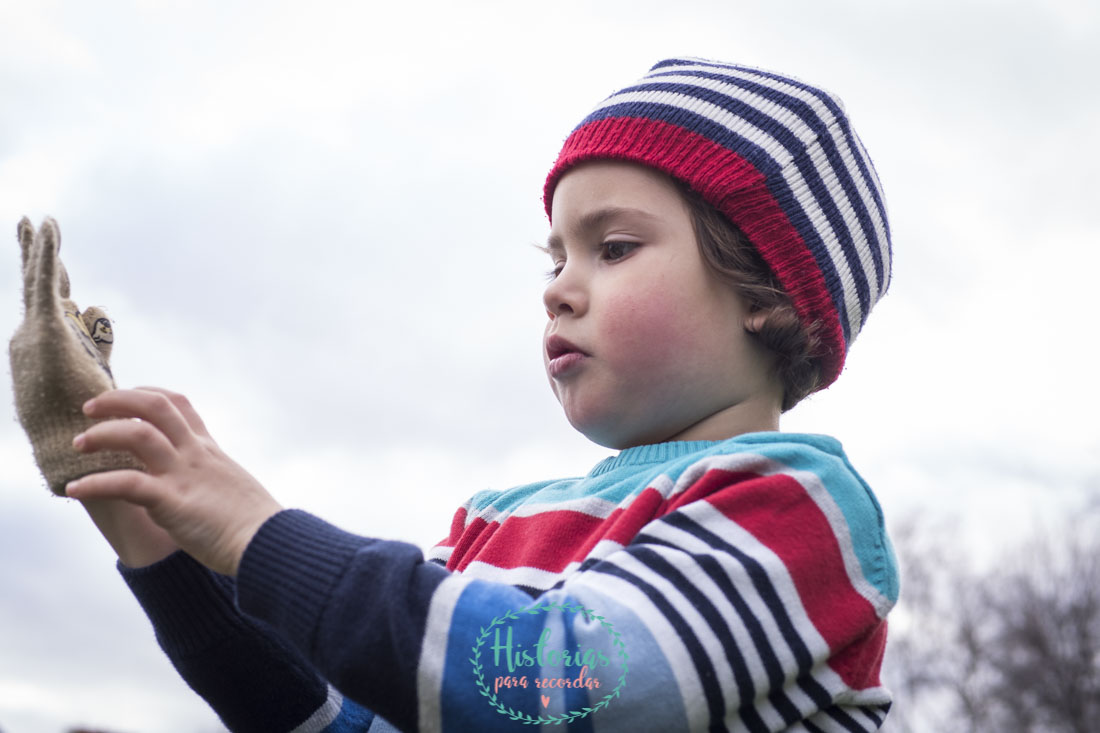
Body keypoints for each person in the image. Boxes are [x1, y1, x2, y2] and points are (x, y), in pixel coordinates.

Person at [12, 58, 898, 732]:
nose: (558, 288)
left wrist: (257, 531)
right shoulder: (494, 521)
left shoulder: (794, 508)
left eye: (614, 247)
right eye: (555, 258)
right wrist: (156, 536)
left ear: (767, 296)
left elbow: (552, 686)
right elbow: (348, 718)